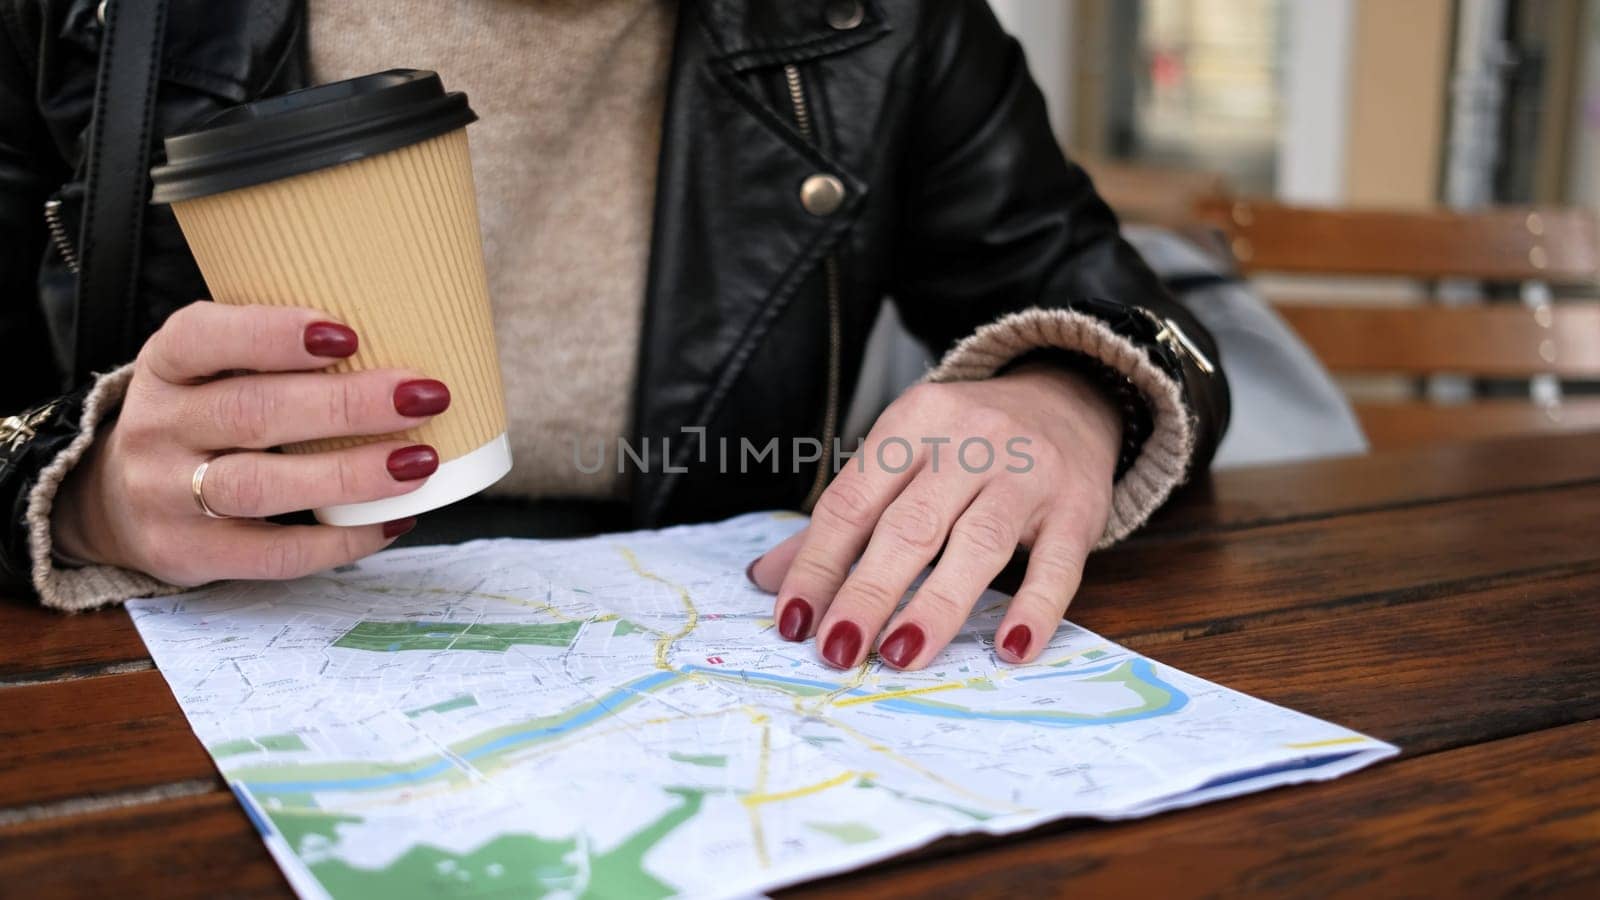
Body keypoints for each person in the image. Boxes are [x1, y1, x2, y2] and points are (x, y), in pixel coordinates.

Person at [0, 0, 1228, 672]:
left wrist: (1066, 396)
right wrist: (81, 496)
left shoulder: (888, 25)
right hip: (167, 695)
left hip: (721, 675)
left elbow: (1135, 318)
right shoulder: (90, 20)